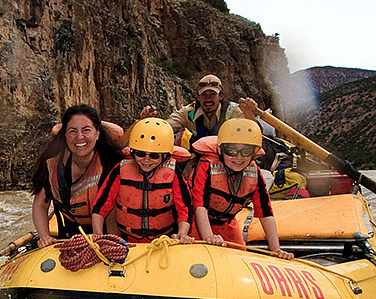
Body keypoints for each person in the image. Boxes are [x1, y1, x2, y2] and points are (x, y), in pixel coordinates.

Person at [190, 118, 294, 260]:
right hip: (197, 223)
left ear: (254, 153)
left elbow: (265, 211)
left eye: (246, 151)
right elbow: (199, 205)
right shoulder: (206, 166)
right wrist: (209, 237)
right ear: (220, 150)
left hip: (227, 224)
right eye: (231, 150)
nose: (238, 157)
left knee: (240, 258)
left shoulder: (254, 173)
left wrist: (276, 250)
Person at [30, 104, 124, 247]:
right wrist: (44, 237)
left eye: (86, 130)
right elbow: (40, 204)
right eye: (72, 131)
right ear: (65, 135)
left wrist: (111, 244)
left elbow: (113, 215)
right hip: (71, 234)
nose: (79, 137)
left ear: (97, 134)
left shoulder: (111, 163)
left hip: (107, 231)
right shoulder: (52, 162)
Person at [90, 118, 194, 244]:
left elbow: (184, 207)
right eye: (140, 154)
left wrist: (182, 234)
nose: (146, 160)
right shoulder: (121, 170)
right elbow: (100, 206)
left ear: (165, 156)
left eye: (154, 155)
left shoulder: (173, 173)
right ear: (133, 152)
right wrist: (98, 236)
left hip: (163, 240)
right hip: (128, 240)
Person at [140, 74, 258, 147]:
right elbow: (165, 126)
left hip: (228, 158)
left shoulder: (233, 110)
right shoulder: (188, 112)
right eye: (204, 95)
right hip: (199, 159)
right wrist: (149, 121)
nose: (208, 99)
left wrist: (249, 113)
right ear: (197, 97)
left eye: (212, 94)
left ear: (221, 96)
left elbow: (254, 133)